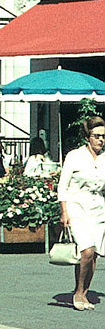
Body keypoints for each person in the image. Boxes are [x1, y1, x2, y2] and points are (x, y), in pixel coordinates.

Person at [57, 117, 105, 311]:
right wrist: (64, 211)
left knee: (93, 255)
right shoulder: (74, 156)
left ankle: (85, 293)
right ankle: (77, 291)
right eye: (96, 136)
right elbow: (63, 185)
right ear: (87, 136)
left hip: (98, 208)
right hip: (77, 206)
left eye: (103, 136)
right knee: (86, 250)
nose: (100, 140)